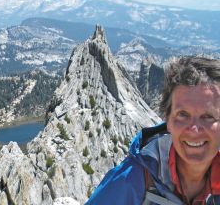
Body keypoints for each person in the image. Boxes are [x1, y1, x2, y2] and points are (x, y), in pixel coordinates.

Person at [86, 56, 220, 204]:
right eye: (183, 115)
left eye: (208, 116)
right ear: (167, 121)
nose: (194, 129)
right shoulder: (131, 180)